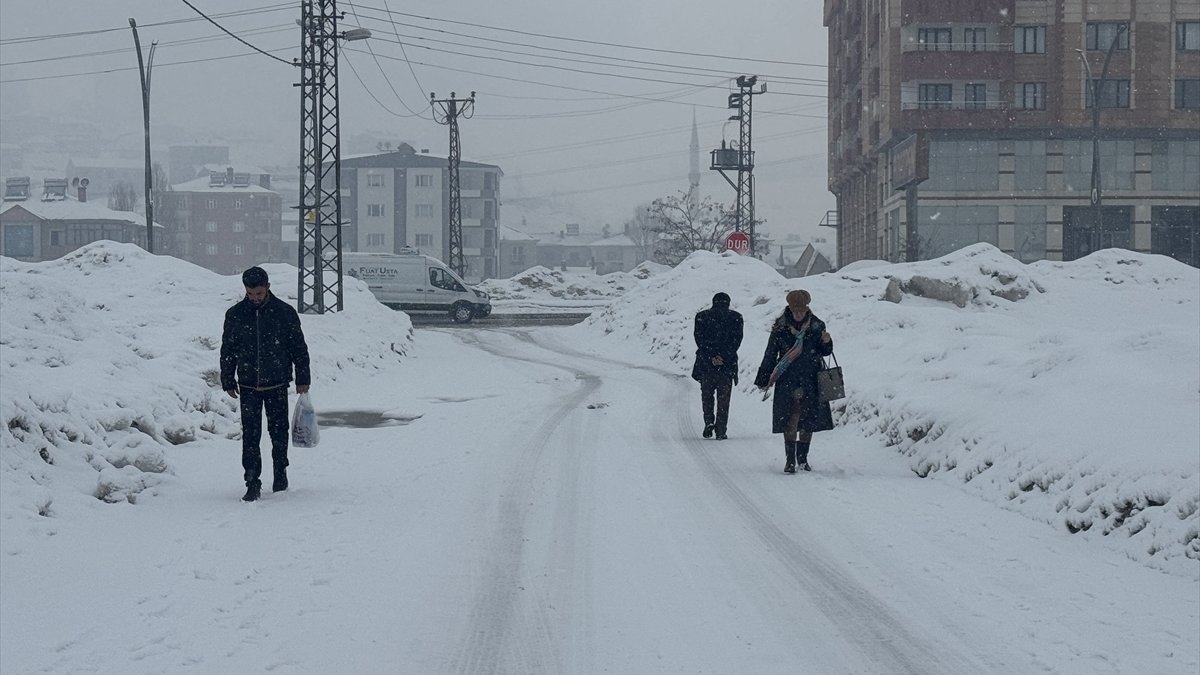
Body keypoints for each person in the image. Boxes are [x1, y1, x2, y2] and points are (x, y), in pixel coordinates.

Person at [220, 266, 311, 502]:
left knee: (278, 433)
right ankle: (252, 481)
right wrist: (227, 378)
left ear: (268, 287)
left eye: (259, 293)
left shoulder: (284, 313)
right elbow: (228, 350)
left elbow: (298, 348)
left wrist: (303, 377)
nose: (255, 298)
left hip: (277, 384)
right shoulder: (235, 315)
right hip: (248, 385)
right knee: (250, 436)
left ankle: (280, 473)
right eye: (251, 294)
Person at [753, 289, 834, 473]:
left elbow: (825, 351)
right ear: (789, 308)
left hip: (811, 378)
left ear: (807, 308)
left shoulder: (816, 325)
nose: (798, 314)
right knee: (790, 418)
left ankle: (802, 459)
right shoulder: (780, 327)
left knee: (808, 419)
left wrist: (827, 342)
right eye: (795, 310)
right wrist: (764, 377)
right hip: (787, 378)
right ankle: (790, 460)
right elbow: (770, 354)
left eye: (801, 310)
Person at [691, 292, 743, 440]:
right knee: (723, 399)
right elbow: (736, 341)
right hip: (727, 366)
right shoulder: (736, 317)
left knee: (707, 396)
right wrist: (724, 356)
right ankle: (721, 430)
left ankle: (708, 421)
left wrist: (711, 356)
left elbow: (699, 339)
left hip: (706, 364)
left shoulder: (702, 317)